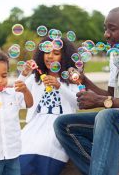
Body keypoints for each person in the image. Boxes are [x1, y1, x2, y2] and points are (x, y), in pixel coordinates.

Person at [54, 6, 119, 175]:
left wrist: (99, 101)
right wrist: (84, 80)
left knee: (107, 116)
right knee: (63, 124)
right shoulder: (116, 52)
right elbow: (111, 97)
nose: (106, 34)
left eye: (112, 29)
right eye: (105, 28)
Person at [19, 38, 79, 175]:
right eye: (46, 52)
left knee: (46, 144)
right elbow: (15, 98)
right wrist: (22, 76)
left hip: (59, 124)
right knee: (23, 144)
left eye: (56, 53)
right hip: (35, 124)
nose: (50, 56)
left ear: (64, 57)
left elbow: (79, 103)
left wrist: (59, 86)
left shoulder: (71, 80)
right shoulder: (35, 79)